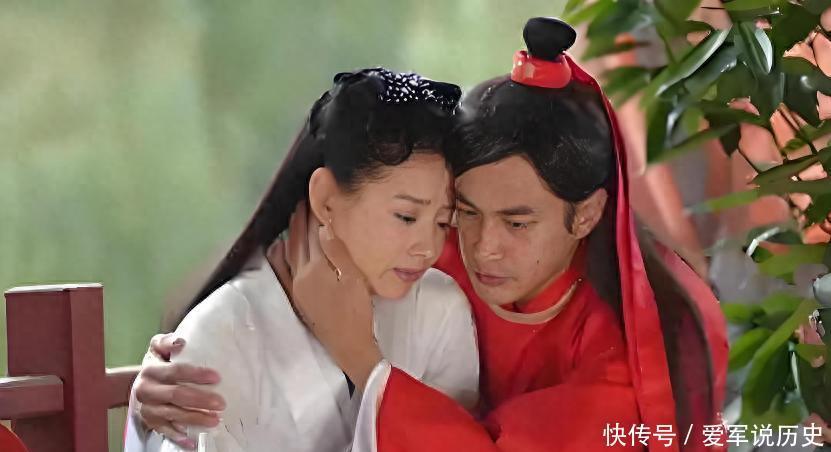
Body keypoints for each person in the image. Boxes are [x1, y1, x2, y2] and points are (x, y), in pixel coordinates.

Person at [134, 18, 729, 452]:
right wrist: (171, 380)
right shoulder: (430, 252)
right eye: (462, 212)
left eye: (517, 222)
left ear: (586, 214)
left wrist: (363, 359)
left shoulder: (630, 351)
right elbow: (266, 304)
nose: (481, 246)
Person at [123, 68, 479, 452]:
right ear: (325, 199)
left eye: (443, 222)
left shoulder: (440, 311)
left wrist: (363, 359)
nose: (428, 248)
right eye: (406, 217)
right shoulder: (220, 331)